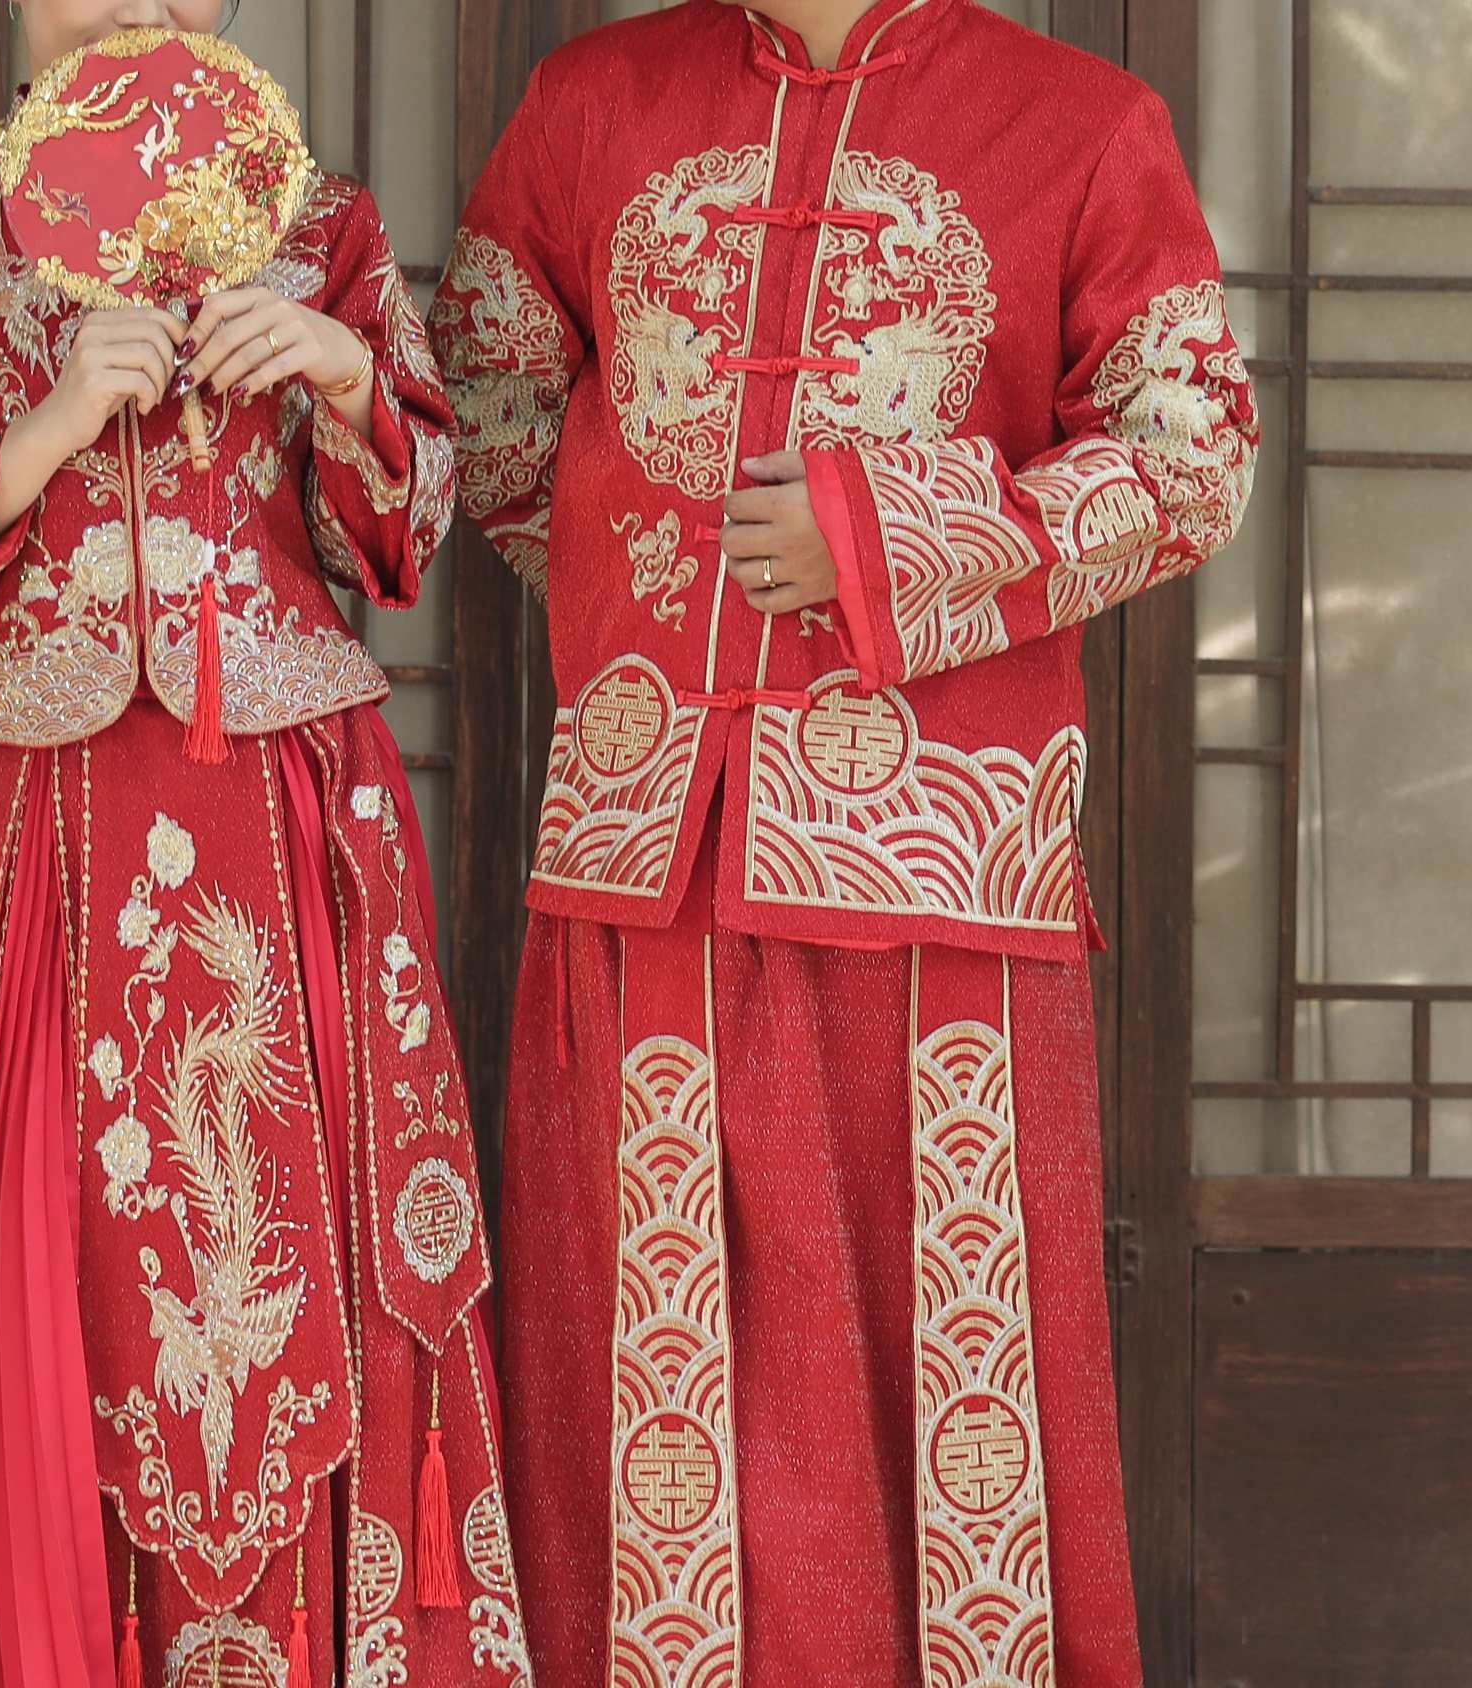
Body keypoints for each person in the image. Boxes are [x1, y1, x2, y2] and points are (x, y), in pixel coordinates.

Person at [431, 1, 1256, 1685]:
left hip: (938, 874)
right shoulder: (591, 105)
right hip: (641, 855)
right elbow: (490, 419)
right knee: (641, 1386)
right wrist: (654, 626)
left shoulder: (1081, 123)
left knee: (929, 1392)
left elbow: (1195, 459)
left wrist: (890, 542)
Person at [0, 6, 529, 1686]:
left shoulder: (316, 218)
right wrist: (41, 430)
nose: (134, 8)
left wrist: (342, 368)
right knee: (41, 1278)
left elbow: (407, 533)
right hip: (30, 827)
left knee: (297, 1262)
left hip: (279, 814)